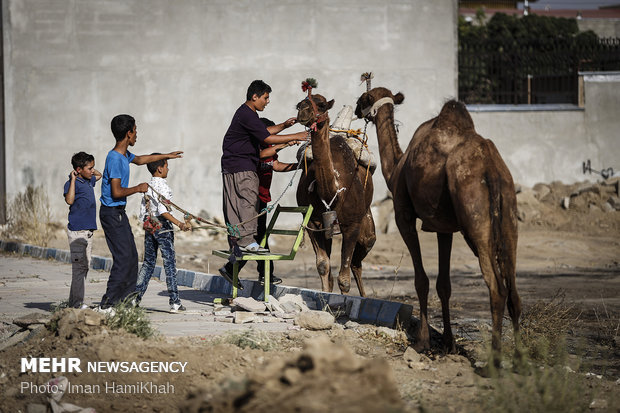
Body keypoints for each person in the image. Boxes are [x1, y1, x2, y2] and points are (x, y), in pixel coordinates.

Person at [219, 80, 308, 288]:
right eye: (266, 98)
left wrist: (286, 126)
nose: (267, 102)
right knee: (248, 202)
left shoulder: (246, 115)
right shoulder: (247, 114)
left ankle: (245, 247)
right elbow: (267, 139)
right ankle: (248, 244)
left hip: (234, 166)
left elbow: (271, 146)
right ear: (255, 96)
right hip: (242, 167)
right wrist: (296, 136)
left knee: (242, 208)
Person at [98, 114, 183, 311]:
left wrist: (166, 156)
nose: (137, 135)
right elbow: (116, 192)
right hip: (111, 214)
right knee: (123, 259)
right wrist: (138, 188)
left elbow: (142, 159)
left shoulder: (124, 155)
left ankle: (126, 302)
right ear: (128, 134)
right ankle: (108, 303)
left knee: (132, 258)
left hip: (118, 212)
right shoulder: (116, 160)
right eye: (135, 131)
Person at [134, 155, 191, 313]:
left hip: (150, 225)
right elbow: (162, 210)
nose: (168, 168)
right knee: (169, 264)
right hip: (163, 227)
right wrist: (179, 223)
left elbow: (144, 211)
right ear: (160, 168)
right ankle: (175, 302)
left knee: (148, 263)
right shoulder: (163, 187)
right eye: (166, 165)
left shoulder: (148, 186)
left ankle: (134, 299)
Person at [256, 117, 300, 286]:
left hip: (262, 198)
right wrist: (287, 142)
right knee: (258, 237)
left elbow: (276, 165)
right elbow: (261, 155)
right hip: (252, 199)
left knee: (260, 236)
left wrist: (299, 166)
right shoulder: (254, 146)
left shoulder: (269, 148)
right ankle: (234, 268)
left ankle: (264, 274)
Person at [63, 151, 102, 309]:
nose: (92, 171)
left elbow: (99, 175)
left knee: (84, 267)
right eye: (89, 168)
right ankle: (77, 304)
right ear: (78, 170)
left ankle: (73, 303)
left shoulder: (88, 180)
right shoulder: (72, 183)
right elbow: (69, 200)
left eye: (92, 167)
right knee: (79, 268)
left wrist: (91, 169)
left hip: (88, 232)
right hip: (77, 232)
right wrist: (73, 179)